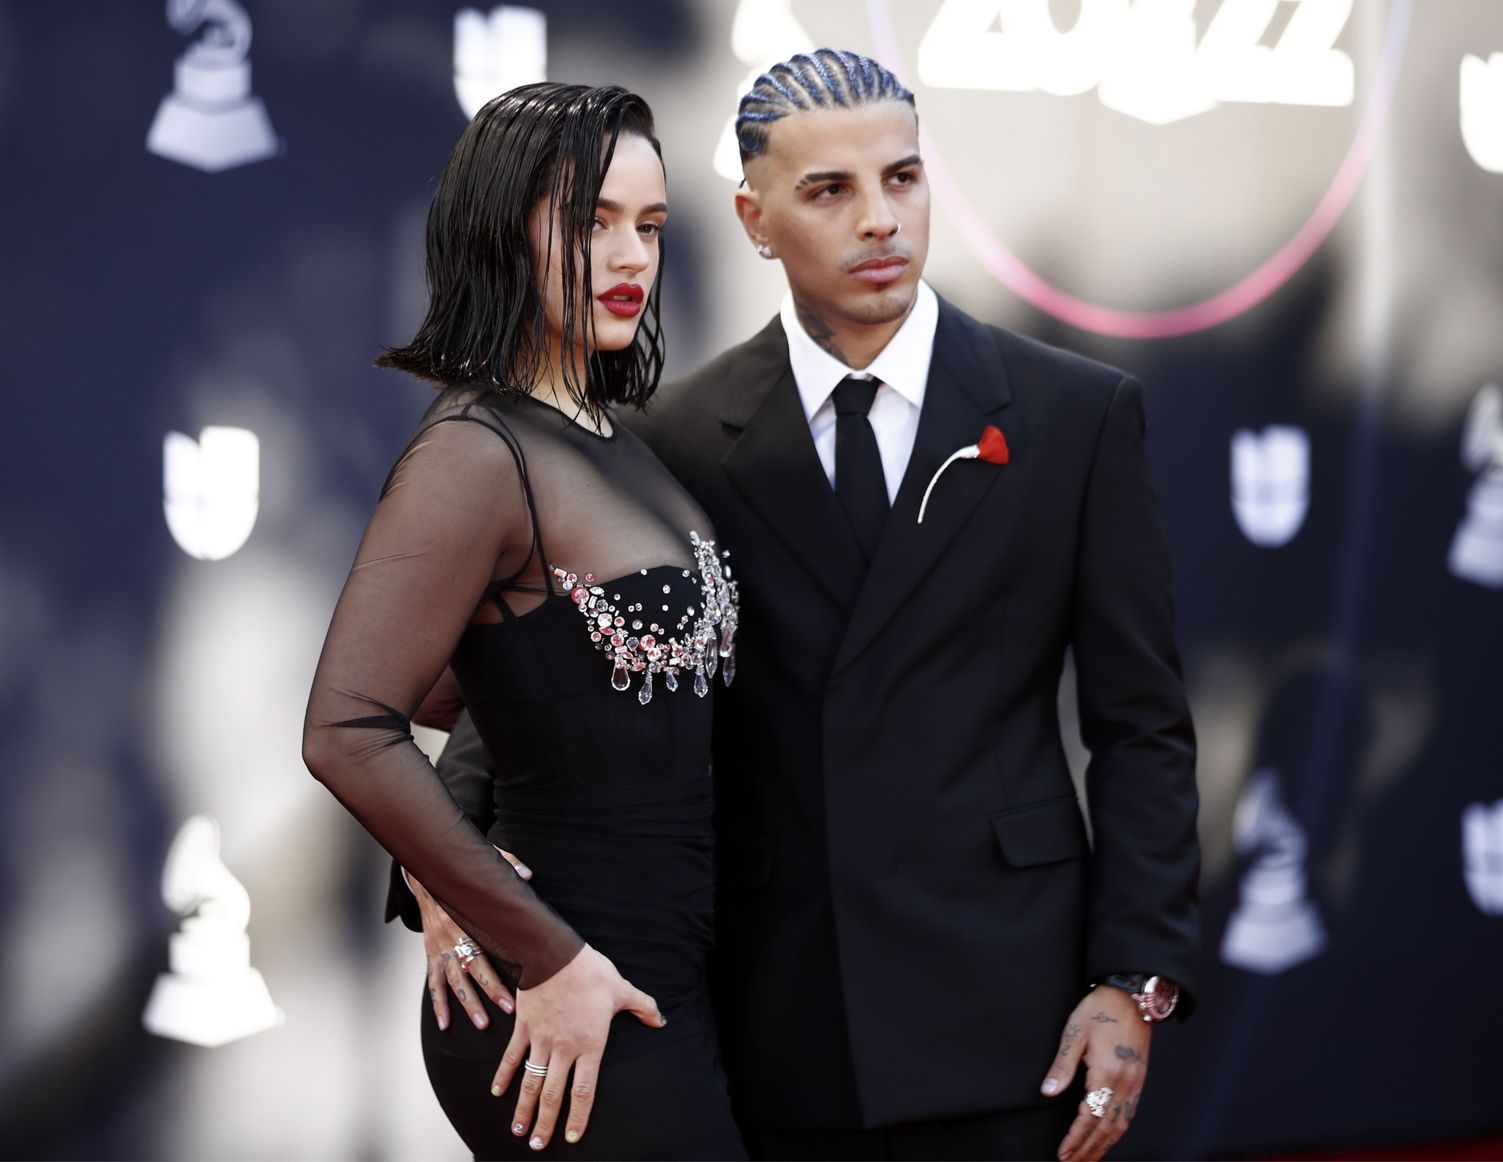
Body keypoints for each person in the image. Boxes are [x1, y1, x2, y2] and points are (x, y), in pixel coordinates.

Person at [402, 49, 1201, 1162]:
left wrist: (1134, 975)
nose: (880, 220)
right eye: (829, 191)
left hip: (1012, 1003)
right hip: (771, 1008)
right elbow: (548, 675)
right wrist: (445, 865)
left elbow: (1141, 726)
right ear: (754, 217)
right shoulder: (672, 438)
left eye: (904, 179)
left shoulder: (1076, 416)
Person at [303, 81, 745, 1160]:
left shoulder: (604, 436)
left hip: (655, 973)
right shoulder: (476, 451)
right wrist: (531, 942)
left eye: (649, 225)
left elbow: (500, 678)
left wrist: (450, 863)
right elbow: (348, 728)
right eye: (589, 223)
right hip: (566, 999)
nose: (631, 256)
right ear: (501, 235)